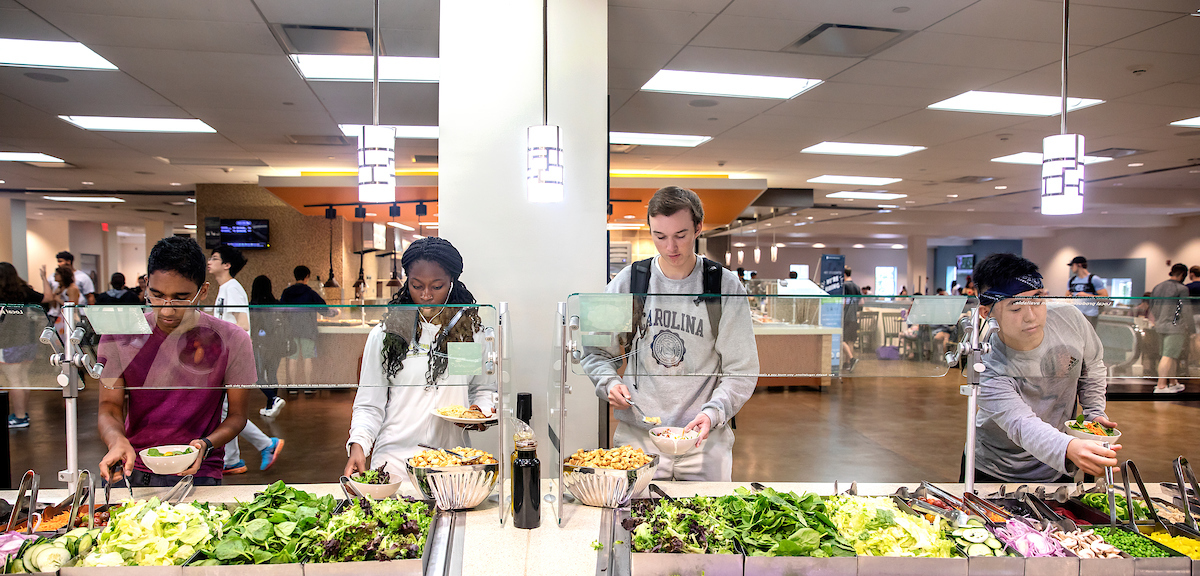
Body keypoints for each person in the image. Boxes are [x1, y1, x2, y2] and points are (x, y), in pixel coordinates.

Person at [581, 186, 758, 481]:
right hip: (639, 439)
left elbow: (742, 369)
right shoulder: (629, 281)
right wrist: (608, 382)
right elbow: (594, 351)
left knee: (706, 524)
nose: (670, 247)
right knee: (633, 523)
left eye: (680, 235)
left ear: (698, 227)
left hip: (704, 439)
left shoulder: (724, 285)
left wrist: (714, 412)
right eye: (659, 236)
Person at [96, 237, 256, 487]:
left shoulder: (232, 339)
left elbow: (237, 416)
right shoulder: (119, 333)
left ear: (202, 291)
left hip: (199, 470)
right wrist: (116, 439)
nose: (167, 310)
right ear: (146, 285)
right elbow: (109, 407)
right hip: (132, 465)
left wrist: (207, 443)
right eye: (157, 296)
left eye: (181, 298)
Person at [344, 237, 495, 482]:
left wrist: (480, 410)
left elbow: (481, 389)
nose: (426, 295)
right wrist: (359, 444)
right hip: (393, 463)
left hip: (452, 461)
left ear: (451, 283)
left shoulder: (468, 335)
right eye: (416, 286)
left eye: (437, 287)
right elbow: (369, 404)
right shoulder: (386, 335)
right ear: (407, 284)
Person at [969, 252, 1119, 483]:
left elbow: (1092, 367)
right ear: (987, 313)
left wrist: (1094, 414)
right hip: (997, 468)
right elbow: (1021, 424)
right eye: (1016, 308)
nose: (1031, 316)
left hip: (1059, 464)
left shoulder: (1070, 317)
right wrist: (1069, 447)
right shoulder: (986, 362)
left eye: (1037, 299)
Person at [207, 245, 283, 473]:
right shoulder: (224, 289)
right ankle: (232, 459)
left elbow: (243, 325)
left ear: (227, 264)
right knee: (224, 410)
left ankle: (264, 445)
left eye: (214, 258)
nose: (209, 262)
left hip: (233, 358)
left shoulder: (233, 289)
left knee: (227, 410)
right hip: (226, 357)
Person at [0, 262, 54, 428]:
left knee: (14, 380)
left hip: (8, 343)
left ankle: (20, 416)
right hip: (28, 341)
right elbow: (48, 298)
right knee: (22, 379)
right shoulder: (24, 291)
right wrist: (44, 278)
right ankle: (22, 413)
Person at [279, 266, 338, 394]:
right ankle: (308, 386)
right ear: (307, 277)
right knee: (308, 357)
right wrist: (335, 312)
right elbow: (324, 310)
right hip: (307, 329)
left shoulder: (287, 292)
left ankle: (293, 387)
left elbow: (281, 310)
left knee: (292, 358)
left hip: (291, 330)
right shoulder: (310, 293)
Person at [1148, 263, 1193, 394]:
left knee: (1169, 355)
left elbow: (1152, 306)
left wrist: (1158, 320)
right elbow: (1186, 310)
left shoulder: (1158, 287)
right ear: (1183, 275)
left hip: (1160, 326)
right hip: (1175, 327)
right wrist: (1191, 330)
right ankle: (1161, 385)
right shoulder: (1181, 289)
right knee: (1168, 356)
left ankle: (1173, 382)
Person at [249, 275, 286, 418]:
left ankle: (273, 399)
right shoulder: (275, 303)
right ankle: (270, 406)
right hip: (276, 344)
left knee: (257, 376)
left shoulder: (254, 304)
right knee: (272, 374)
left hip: (261, 344)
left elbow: (253, 326)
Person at [1065, 256, 1108, 329]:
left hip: (1090, 314)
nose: (1071, 268)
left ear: (1079, 265)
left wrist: (1087, 295)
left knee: (1089, 337)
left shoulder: (1094, 279)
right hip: (1075, 314)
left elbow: (1105, 297)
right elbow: (1066, 295)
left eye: (1072, 265)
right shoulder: (1071, 280)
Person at [841, 268, 862, 373]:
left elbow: (844, 301)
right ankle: (848, 363)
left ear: (844, 274)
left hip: (846, 317)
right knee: (850, 341)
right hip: (854, 317)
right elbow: (861, 302)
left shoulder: (844, 286)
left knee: (841, 339)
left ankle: (851, 359)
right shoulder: (857, 286)